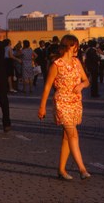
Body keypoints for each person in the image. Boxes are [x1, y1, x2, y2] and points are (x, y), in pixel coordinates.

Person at [38, 34, 91, 180]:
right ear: (67, 46)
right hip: (61, 101)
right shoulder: (57, 64)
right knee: (73, 133)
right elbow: (48, 86)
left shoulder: (77, 62)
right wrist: (42, 106)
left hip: (75, 101)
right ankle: (82, 169)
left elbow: (86, 80)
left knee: (67, 137)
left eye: (77, 46)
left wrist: (81, 85)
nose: (77, 49)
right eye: (74, 46)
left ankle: (61, 170)